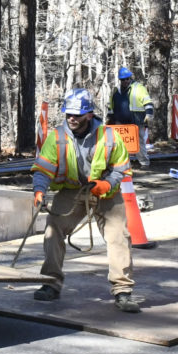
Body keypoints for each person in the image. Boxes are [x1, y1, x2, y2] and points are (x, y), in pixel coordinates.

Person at [31, 89, 138, 312]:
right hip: (73, 190)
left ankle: (123, 291)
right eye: (69, 114)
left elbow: (122, 168)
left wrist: (107, 184)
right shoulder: (57, 137)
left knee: (119, 235)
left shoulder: (109, 136)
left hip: (105, 190)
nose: (72, 119)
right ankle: (51, 283)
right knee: (53, 230)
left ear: (89, 114)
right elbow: (43, 169)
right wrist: (39, 191)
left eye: (77, 115)